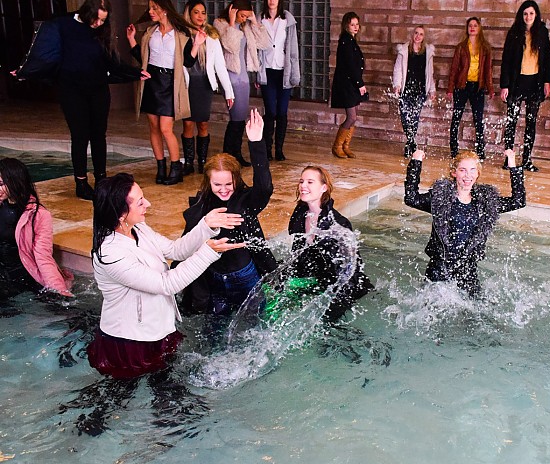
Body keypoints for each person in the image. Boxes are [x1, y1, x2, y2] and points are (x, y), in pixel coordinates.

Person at [89, 172, 244, 379]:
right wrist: (208, 252)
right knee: (124, 391)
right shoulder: (110, 253)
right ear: (120, 214)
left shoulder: (139, 229)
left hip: (159, 329)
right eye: (140, 202)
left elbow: (175, 250)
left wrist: (206, 225)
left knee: (165, 383)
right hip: (130, 341)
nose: (148, 204)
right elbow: (167, 284)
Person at [12, 0, 148, 200]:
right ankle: (81, 183)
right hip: (72, 91)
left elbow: (111, 63)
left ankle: (101, 180)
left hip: (98, 90)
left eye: (103, 20)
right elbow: (44, 53)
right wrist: (25, 71)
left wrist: (135, 73)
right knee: (80, 136)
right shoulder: (62, 24)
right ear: (87, 12)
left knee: (99, 135)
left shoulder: (101, 31)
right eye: (96, 19)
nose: (99, 23)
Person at [180, 109, 278, 315]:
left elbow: (265, 187)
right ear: (208, 182)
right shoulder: (201, 206)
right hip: (215, 278)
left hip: (245, 276)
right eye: (217, 184)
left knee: (254, 323)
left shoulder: (246, 201)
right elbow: (185, 246)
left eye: (228, 184)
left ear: (236, 180)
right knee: (216, 325)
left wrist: (256, 143)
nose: (223, 190)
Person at [404, 149, 526, 296]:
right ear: (454, 173)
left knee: (477, 308)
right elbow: (411, 198)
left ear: (478, 173)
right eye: (463, 170)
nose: (468, 175)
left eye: (472, 170)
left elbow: (518, 201)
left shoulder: (486, 202)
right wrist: (416, 162)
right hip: (439, 270)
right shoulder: (440, 199)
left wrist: (512, 164)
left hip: (468, 271)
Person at [286, 165, 373, 321]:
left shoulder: (338, 224)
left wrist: (331, 310)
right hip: (317, 279)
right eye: (301, 181)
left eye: (310, 182)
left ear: (324, 188)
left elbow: (350, 272)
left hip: (343, 286)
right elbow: (298, 253)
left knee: (323, 323)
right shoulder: (300, 213)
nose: (303, 186)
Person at [127, 0, 195, 186]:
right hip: (152, 81)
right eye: (149, 8)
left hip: (170, 82)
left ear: (164, 9)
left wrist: (197, 44)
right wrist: (131, 39)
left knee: (166, 128)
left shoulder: (181, 34)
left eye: (154, 8)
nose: (150, 11)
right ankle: (160, 167)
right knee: (154, 127)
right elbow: (143, 58)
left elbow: (189, 62)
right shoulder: (151, 32)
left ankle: (176, 168)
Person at [0, 157, 73, 299]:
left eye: (1, 184)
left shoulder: (38, 215)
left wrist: (59, 289)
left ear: (15, 182)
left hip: (21, 276)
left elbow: (43, 256)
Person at [214, 0, 272, 168]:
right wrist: (232, 24)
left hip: (243, 76)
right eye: (242, 15)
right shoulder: (220, 24)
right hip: (230, 75)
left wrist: (254, 22)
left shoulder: (246, 25)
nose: (243, 19)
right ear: (233, 10)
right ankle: (228, 154)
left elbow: (265, 44)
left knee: (240, 118)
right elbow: (230, 47)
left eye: (246, 16)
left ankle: (235, 154)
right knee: (236, 117)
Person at [181, 0, 235, 176]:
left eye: (203, 12)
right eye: (196, 12)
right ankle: (189, 161)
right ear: (189, 13)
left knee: (203, 123)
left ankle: (202, 161)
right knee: (188, 124)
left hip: (204, 84)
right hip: (187, 84)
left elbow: (220, 65)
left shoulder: (211, 35)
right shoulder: (182, 34)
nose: (200, 16)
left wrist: (229, 91)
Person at [500, 0, 550, 172]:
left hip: (535, 82)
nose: (528, 17)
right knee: (511, 122)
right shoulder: (514, 32)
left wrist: (547, 81)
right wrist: (504, 85)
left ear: (536, 15)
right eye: (525, 13)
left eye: (531, 13)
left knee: (531, 122)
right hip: (516, 82)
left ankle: (527, 159)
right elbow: (506, 60)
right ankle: (509, 159)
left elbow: (547, 58)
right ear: (521, 15)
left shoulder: (542, 32)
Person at [258, 0, 300, 162]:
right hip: (267, 70)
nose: (272, 0)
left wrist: (295, 73)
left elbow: (293, 50)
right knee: (270, 111)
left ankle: (279, 149)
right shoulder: (260, 19)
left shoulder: (287, 20)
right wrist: (257, 73)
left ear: (279, 0)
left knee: (282, 111)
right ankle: (267, 149)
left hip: (284, 71)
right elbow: (256, 49)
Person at [447, 17, 493, 160]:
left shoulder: (485, 48)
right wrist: (450, 88)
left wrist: (490, 88)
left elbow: (488, 70)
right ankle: (454, 150)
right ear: (467, 29)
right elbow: (454, 68)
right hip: (462, 86)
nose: (472, 28)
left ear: (479, 28)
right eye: (470, 26)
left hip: (477, 87)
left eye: (475, 25)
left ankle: (480, 150)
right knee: (456, 117)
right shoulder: (461, 47)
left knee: (478, 119)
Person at [392, 25, 436, 159]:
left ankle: (410, 145)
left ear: (424, 37)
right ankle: (412, 143)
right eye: (416, 33)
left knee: (414, 118)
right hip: (406, 89)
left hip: (420, 90)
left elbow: (430, 73)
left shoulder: (427, 52)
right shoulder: (404, 50)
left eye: (421, 34)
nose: (418, 36)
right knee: (405, 117)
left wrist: (432, 89)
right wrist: (397, 85)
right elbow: (398, 69)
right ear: (412, 34)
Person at [330, 12, 366, 159]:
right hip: (347, 85)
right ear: (346, 26)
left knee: (354, 116)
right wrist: (360, 84)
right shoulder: (346, 41)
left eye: (357, 24)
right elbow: (350, 66)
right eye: (352, 24)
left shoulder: (351, 40)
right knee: (351, 117)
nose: (355, 27)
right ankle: (337, 146)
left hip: (352, 84)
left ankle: (345, 146)